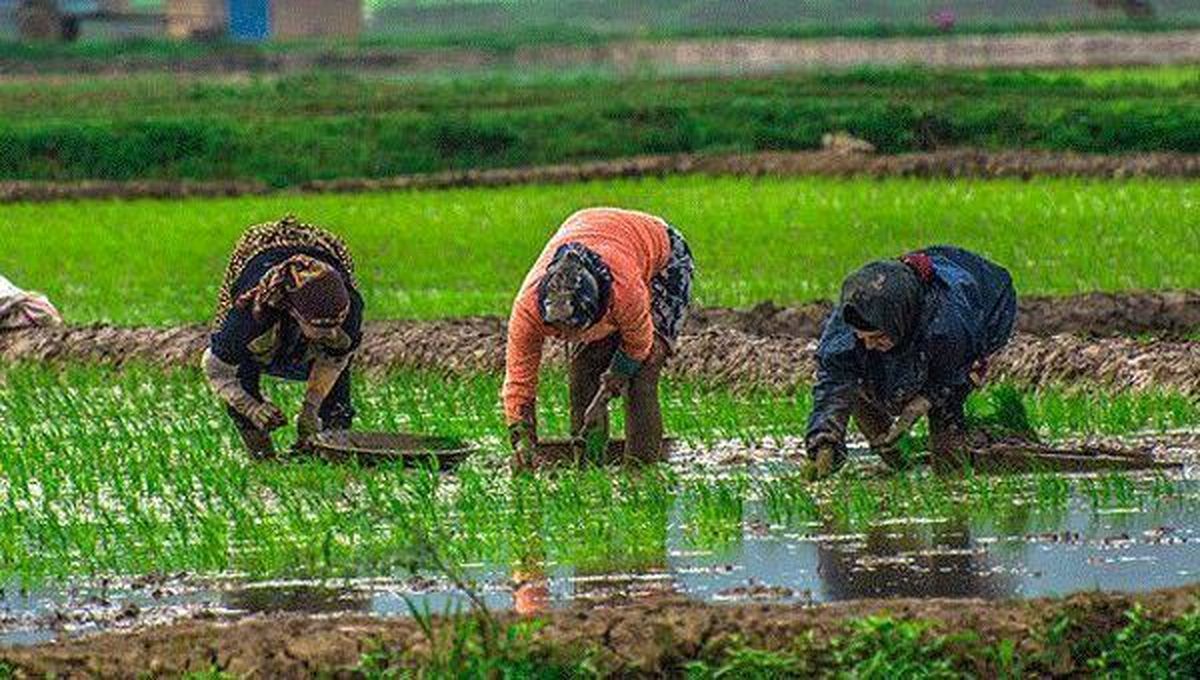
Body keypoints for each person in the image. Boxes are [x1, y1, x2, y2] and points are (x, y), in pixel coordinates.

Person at [503, 207, 694, 466]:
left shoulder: (625, 293)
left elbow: (637, 347)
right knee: (583, 368)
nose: (564, 338)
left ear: (599, 310)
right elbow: (519, 384)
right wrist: (523, 444)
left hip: (663, 256)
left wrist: (604, 396)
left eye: (575, 331)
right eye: (557, 331)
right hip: (594, 233)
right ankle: (589, 469)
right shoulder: (528, 309)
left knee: (643, 374)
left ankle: (641, 473)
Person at [805, 246, 1016, 478]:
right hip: (907, 319)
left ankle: (953, 466)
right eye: (861, 337)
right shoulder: (849, 323)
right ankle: (897, 458)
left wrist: (922, 403)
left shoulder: (950, 325)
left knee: (946, 436)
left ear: (897, 323)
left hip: (982, 305)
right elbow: (833, 383)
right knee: (855, 384)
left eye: (878, 337)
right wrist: (825, 441)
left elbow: (954, 372)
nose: (868, 344)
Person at [202, 216, 364, 459]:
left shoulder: (349, 308)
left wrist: (311, 408)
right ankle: (264, 460)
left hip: (324, 248)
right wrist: (252, 408)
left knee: (336, 399)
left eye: (335, 325)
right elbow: (216, 368)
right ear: (294, 313)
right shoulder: (249, 316)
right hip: (258, 251)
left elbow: (335, 359)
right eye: (321, 328)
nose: (331, 334)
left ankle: (329, 456)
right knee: (244, 367)